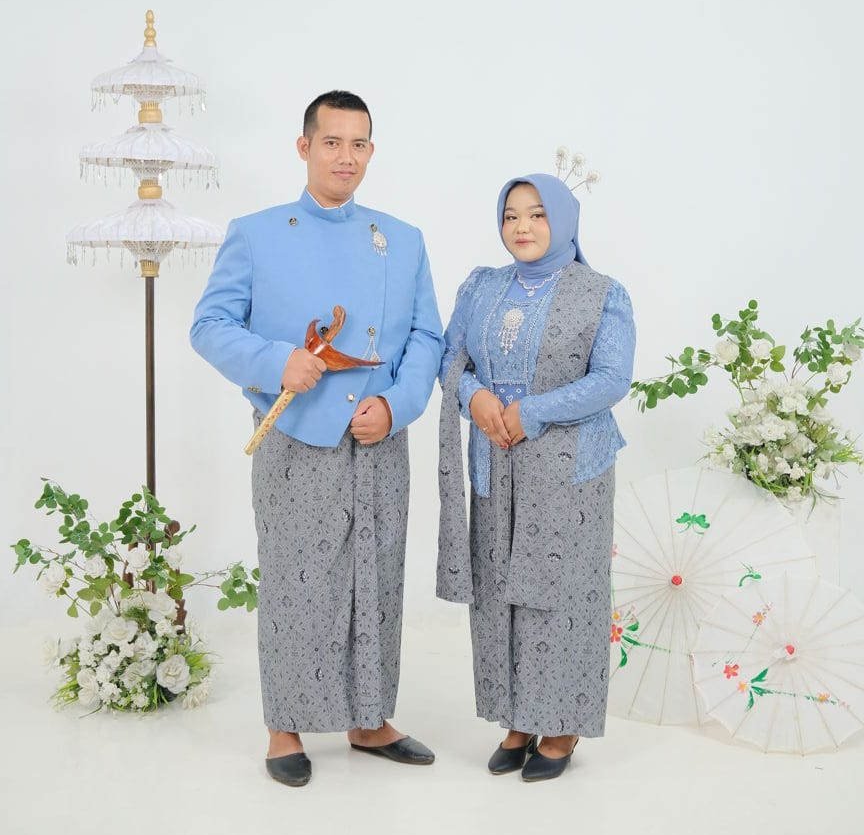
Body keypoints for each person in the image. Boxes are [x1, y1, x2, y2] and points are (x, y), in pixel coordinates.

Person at [191, 92, 443, 787]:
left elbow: (427, 337)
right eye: (332, 142)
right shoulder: (256, 233)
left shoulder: (404, 239)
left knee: (377, 578)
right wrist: (277, 362)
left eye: (359, 144)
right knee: (296, 583)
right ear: (304, 147)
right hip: (294, 437)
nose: (346, 157)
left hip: (379, 437)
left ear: (371, 152)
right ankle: (286, 725)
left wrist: (397, 405)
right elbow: (209, 326)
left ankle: (369, 718)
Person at [437, 172, 635, 782]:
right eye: (511, 215)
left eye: (537, 214)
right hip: (495, 459)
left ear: (565, 221)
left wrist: (534, 411)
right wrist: (474, 397)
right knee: (500, 586)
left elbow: (612, 378)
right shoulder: (482, 286)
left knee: (563, 591)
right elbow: (450, 358)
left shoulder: (601, 293)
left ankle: (562, 724)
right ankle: (517, 719)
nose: (521, 227)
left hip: (570, 468)